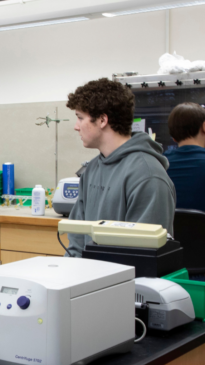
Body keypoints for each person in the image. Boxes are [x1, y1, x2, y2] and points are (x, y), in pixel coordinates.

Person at [64, 78, 176, 257]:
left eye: (80, 118)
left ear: (102, 120)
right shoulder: (92, 170)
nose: (76, 127)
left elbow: (144, 256)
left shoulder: (147, 175)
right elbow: (77, 240)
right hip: (88, 280)